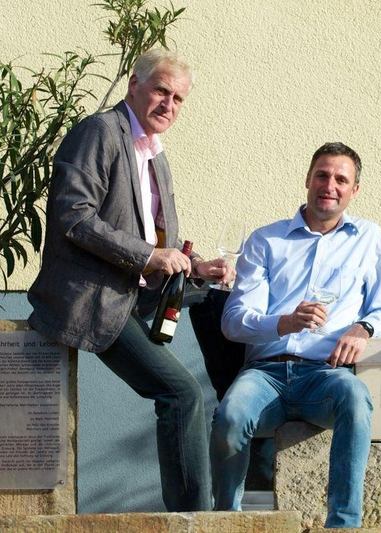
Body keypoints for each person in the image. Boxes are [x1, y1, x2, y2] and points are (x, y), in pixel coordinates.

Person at [28, 48, 232, 511]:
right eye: (162, 91)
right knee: (181, 393)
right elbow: (73, 216)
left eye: (178, 99)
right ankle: (192, 519)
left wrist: (197, 266)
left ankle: (204, 499)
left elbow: (162, 240)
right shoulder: (99, 131)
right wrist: (148, 256)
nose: (169, 105)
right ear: (134, 85)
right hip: (96, 298)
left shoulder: (154, 153)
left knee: (210, 321)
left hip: (136, 298)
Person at [211, 142, 381, 527]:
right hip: (265, 374)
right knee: (230, 416)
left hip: (325, 375)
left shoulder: (368, 238)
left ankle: (343, 525)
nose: (329, 185)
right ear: (307, 180)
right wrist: (283, 323)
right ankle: (225, 522)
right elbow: (233, 321)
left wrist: (364, 328)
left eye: (341, 179)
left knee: (355, 398)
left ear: (354, 190)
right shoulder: (267, 240)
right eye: (322, 175)